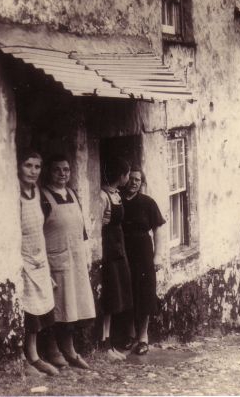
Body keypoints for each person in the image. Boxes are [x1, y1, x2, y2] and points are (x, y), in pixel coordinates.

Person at [41, 155, 96, 369]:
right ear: (49, 172)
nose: (63, 174)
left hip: (75, 260)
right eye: (57, 170)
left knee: (74, 307)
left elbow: (80, 231)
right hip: (55, 261)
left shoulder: (73, 194)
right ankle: (53, 349)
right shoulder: (44, 197)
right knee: (57, 308)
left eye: (66, 170)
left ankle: (70, 349)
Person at [18, 150, 59, 377]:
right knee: (28, 310)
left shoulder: (36, 192)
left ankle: (35, 356)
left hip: (39, 257)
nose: (33, 171)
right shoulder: (15, 194)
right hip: (22, 257)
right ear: (18, 167)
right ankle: (27, 358)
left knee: (40, 308)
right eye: (28, 165)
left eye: (37, 166)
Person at [121, 168, 166, 355]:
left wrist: (158, 255)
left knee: (145, 293)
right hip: (123, 251)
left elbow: (158, 230)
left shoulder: (147, 203)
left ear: (142, 182)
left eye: (138, 180)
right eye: (131, 178)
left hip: (144, 252)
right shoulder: (118, 201)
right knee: (128, 291)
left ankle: (143, 337)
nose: (134, 182)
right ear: (125, 179)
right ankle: (130, 335)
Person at [100, 157, 133, 361]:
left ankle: (110, 341)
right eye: (127, 174)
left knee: (119, 296)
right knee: (111, 298)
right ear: (121, 176)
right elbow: (101, 226)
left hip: (119, 249)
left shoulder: (116, 194)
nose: (128, 178)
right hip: (109, 250)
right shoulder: (104, 196)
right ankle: (105, 344)